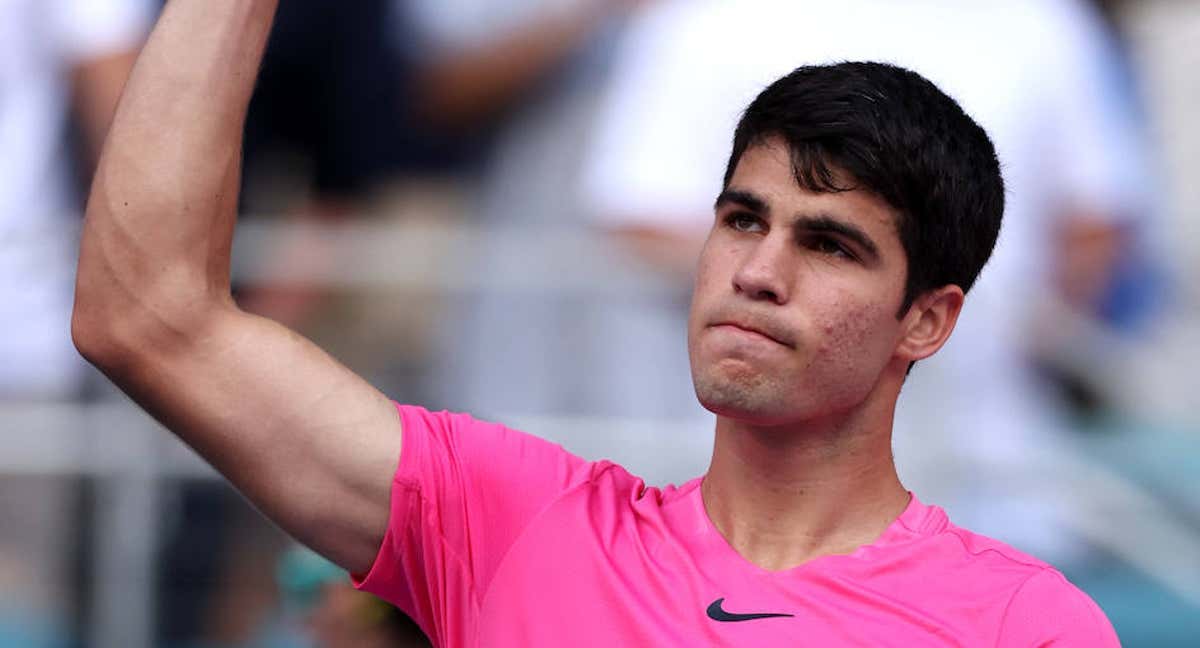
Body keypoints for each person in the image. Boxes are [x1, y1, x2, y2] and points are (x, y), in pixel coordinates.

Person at [71, 1, 1120, 646]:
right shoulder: (508, 522)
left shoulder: (1023, 627)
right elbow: (148, 315)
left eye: (829, 244)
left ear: (927, 322)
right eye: (741, 219)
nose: (757, 271)